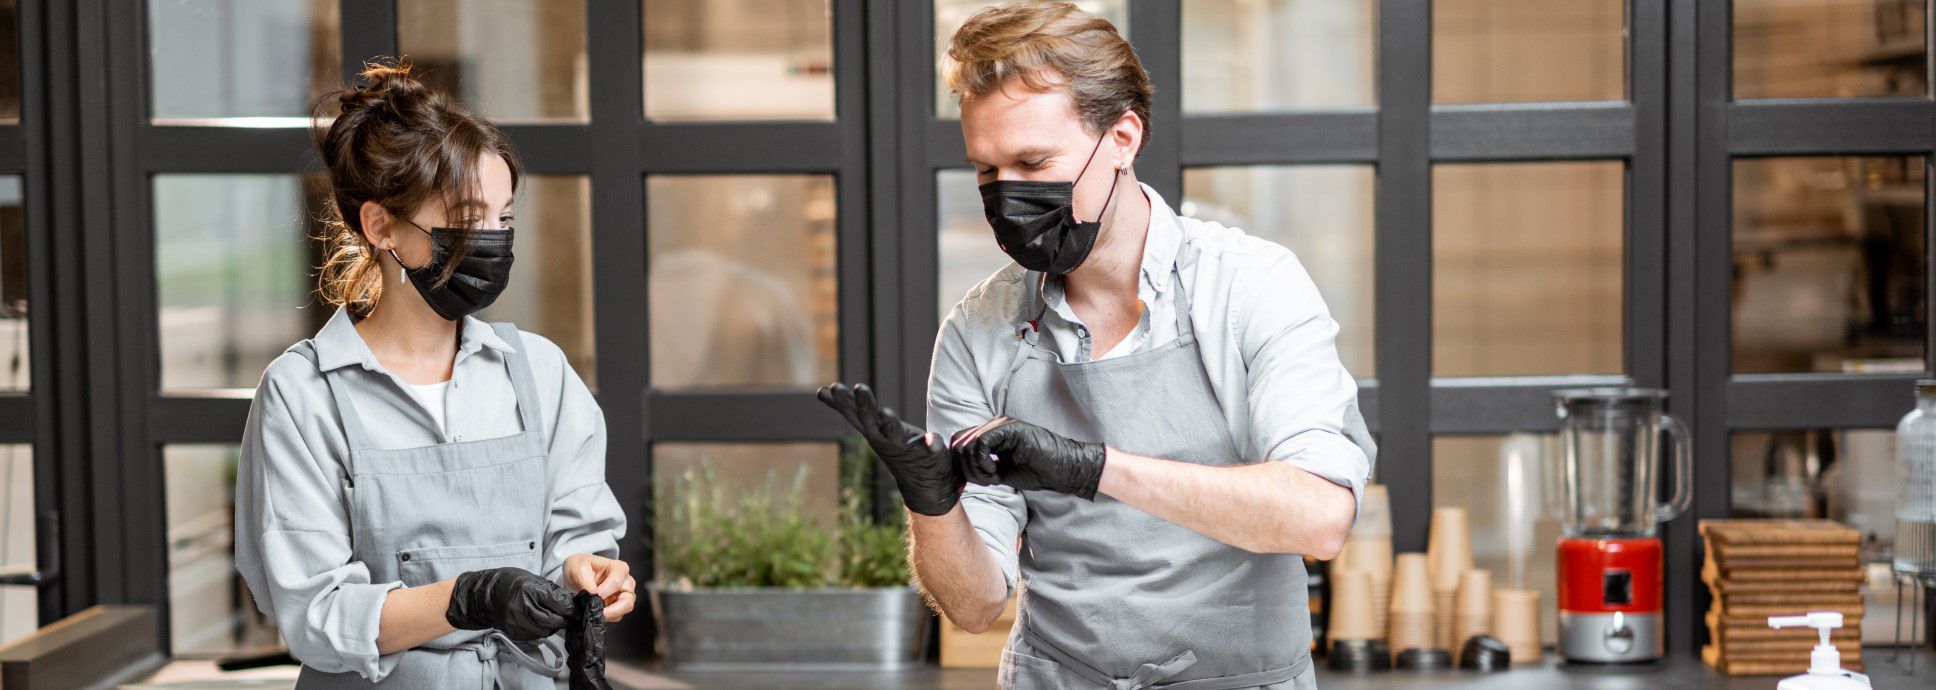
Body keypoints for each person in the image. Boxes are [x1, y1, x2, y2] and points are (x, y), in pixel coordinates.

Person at [819, 4, 1375, 688]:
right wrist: (931, 505)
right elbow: (972, 604)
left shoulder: (1251, 287)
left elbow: (1319, 518)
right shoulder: (977, 330)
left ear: (1123, 137)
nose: (1009, 196)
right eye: (987, 173)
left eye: (1033, 162)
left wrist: (1093, 469)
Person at [233, 62, 629, 689]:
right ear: (381, 225)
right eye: (469, 216)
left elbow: (572, 546)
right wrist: (467, 597)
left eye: (503, 218)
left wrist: (586, 575)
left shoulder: (539, 373)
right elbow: (315, 615)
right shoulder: (303, 396)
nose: (493, 240)